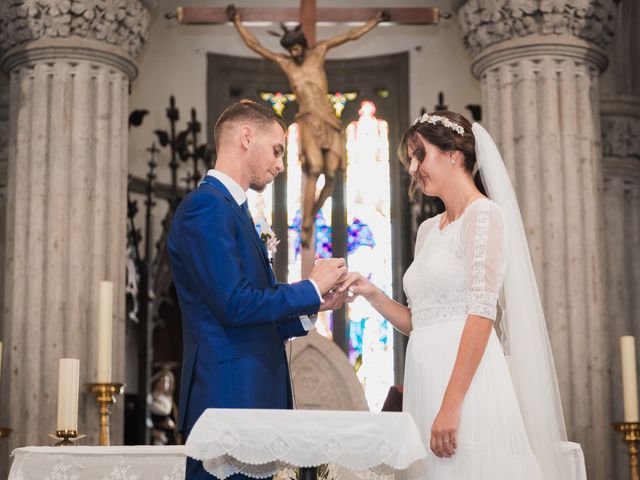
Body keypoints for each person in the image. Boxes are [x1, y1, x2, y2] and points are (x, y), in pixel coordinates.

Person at [339, 111, 570, 478]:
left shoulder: (485, 216)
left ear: (453, 154)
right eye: (410, 159)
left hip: (465, 385)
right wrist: (372, 293)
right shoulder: (429, 229)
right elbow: (421, 321)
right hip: (425, 377)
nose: (413, 168)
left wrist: (451, 404)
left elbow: (481, 314)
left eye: (420, 155)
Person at [168, 100, 348, 480]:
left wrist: (312, 305)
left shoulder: (234, 210)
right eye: (277, 149)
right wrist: (309, 286)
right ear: (246, 137)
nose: (281, 164)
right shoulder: (206, 207)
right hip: (229, 398)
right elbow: (233, 305)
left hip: (250, 398)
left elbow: (249, 314)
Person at [227, 4, 388, 245]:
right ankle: (306, 223)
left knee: (332, 174)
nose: (294, 54)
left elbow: (349, 36)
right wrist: (238, 22)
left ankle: (312, 214)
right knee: (314, 169)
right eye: (290, 50)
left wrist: (374, 22)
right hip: (307, 119)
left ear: (303, 45)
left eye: (296, 48)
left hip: (328, 119)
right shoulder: (287, 64)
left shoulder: (319, 51)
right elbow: (256, 46)